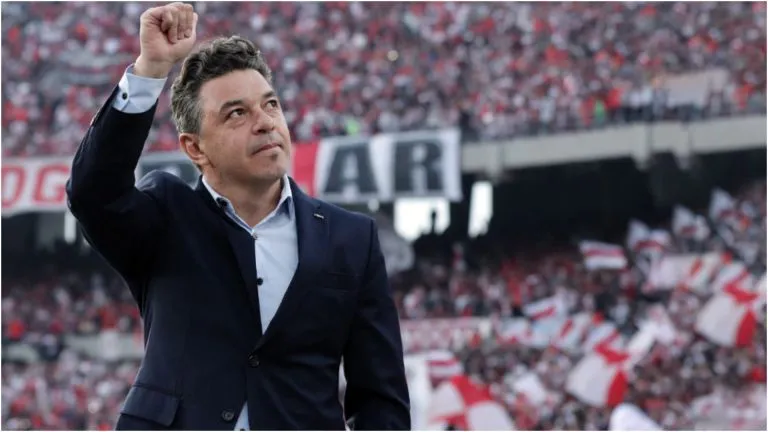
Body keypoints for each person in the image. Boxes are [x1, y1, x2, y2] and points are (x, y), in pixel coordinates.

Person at [66, 2, 410, 430]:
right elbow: (92, 193)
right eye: (237, 113)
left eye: (271, 105)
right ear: (195, 148)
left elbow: (381, 398)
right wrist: (150, 69)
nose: (265, 123)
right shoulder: (167, 216)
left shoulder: (351, 237)